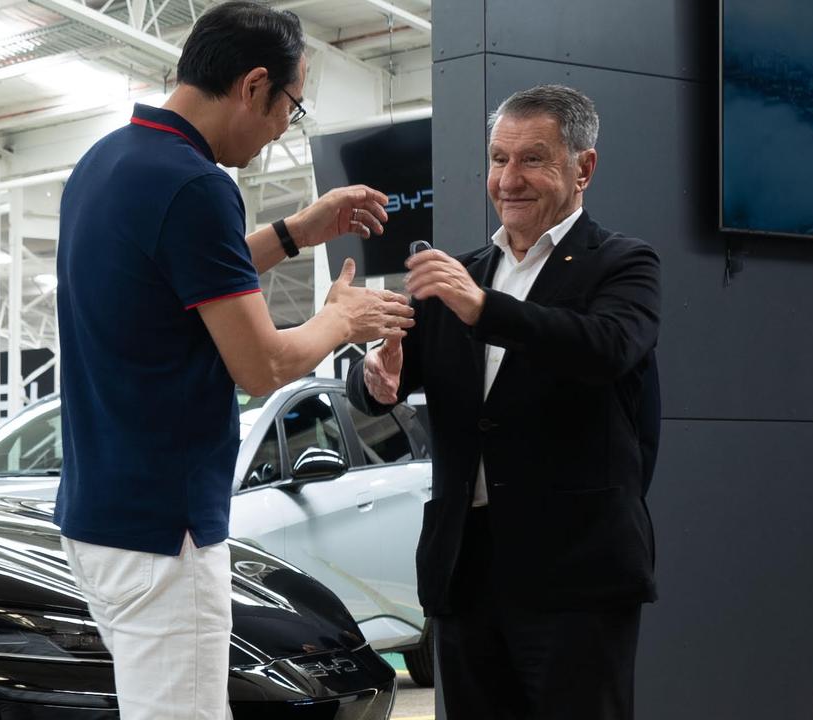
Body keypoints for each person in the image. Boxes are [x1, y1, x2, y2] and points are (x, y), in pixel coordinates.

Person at [52, 3, 413, 718]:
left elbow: (182, 280)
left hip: (101, 515)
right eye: (291, 107)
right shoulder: (195, 184)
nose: (285, 126)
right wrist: (339, 321)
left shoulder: (110, 161)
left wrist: (294, 232)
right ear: (253, 87)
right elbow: (264, 365)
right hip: (166, 528)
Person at [348, 84, 661, 720]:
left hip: (575, 575)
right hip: (467, 571)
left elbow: (605, 348)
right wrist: (375, 379)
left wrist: (484, 308)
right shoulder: (456, 276)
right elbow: (380, 379)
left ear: (584, 168)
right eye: (498, 158)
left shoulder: (623, 263)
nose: (508, 178)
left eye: (532, 159)